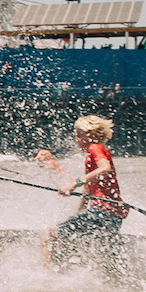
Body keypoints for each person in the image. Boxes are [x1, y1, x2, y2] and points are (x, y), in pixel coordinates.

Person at [44, 115, 130, 269]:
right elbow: (89, 189)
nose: (76, 140)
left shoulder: (95, 147)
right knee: (100, 253)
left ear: (90, 136)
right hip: (112, 214)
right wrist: (77, 211)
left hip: (102, 211)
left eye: (79, 135)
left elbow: (105, 168)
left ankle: (48, 273)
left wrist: (73, 184)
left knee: (50, 233)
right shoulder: (93, 154)